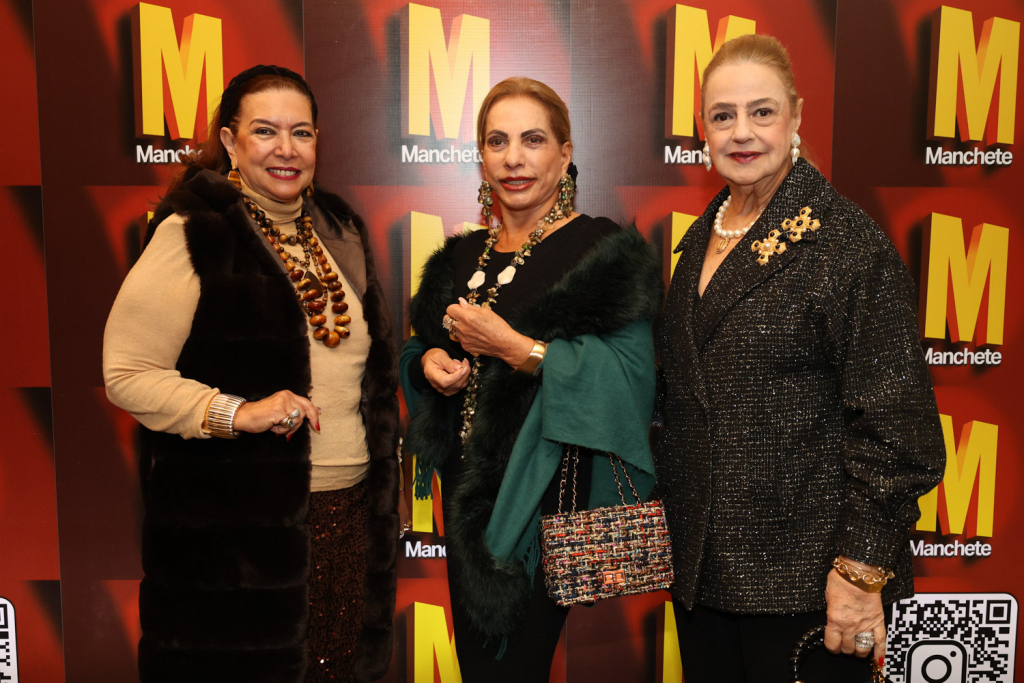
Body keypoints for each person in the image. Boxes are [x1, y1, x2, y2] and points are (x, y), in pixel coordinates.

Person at [655, 35, 945, 683]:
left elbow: (900, 434)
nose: (741, 132)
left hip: (811, 586)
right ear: (703, 128)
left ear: (796, 116)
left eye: (762, 112)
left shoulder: (845, 245)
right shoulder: (700, 237)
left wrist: (859, 573)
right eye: (722, 115)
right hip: (704, 578)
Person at [103, 65, 401, 683]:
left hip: (346, 520)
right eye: (265, 130)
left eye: (302, 132)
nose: (286, 149)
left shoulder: (341, 230)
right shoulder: (197, 232)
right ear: (231, 141)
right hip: (239, 534)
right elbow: (126, 372)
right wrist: (240, 412)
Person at [400, 77, 662, 680]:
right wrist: (426, 367)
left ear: (565, 154)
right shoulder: (460, 257)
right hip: (465, 505)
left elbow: (631, 380)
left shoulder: (604, 252)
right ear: (481, 156)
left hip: (546, 508)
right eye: (497, 141)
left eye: (533, 139)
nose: (514, 158)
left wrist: (516, 349)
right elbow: (419, 346)